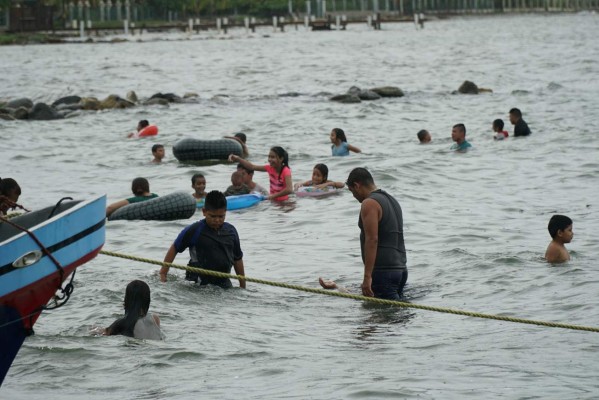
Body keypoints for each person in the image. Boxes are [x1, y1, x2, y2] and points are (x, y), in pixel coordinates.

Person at [322, 168, 407, 300]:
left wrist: (367, 277)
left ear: (357, 185)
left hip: (383, 272)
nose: (354, 196)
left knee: (379, 319)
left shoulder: (369, 203)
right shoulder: (392, 200)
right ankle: (337, 288)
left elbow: (372, 239)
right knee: (394, 316)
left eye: (352, 191)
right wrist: (337, 288)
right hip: (400, 270)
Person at [160, 190, 246, 289]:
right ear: (204, 212)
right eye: (213, 216)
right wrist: (163, 273)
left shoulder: (231, 231)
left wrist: (242, 286)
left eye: (221, 216)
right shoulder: (195, 230)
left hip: (223, 282)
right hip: (196, 282)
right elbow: (175, 247)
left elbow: (238, 258)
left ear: (225, 212)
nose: (217, 220)